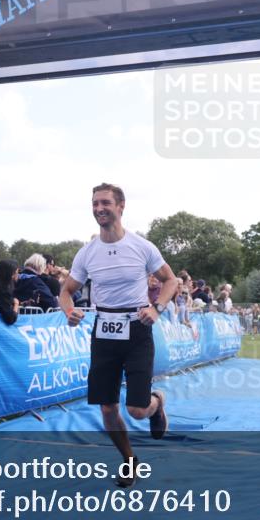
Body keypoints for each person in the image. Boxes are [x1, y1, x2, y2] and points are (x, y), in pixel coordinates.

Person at [60, 183, 177, 488]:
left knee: (137, 410)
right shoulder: (87, 253)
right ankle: (129, 460)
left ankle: (156, 403)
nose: (99, 209)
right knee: (107, 407)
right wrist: (68, 310)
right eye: (95, 204)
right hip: (104, 331)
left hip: (138, 330)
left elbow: (171, 280)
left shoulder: (142, 246)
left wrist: (157, 308)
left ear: (121, 206)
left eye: (105, 203)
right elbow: (66, 291)